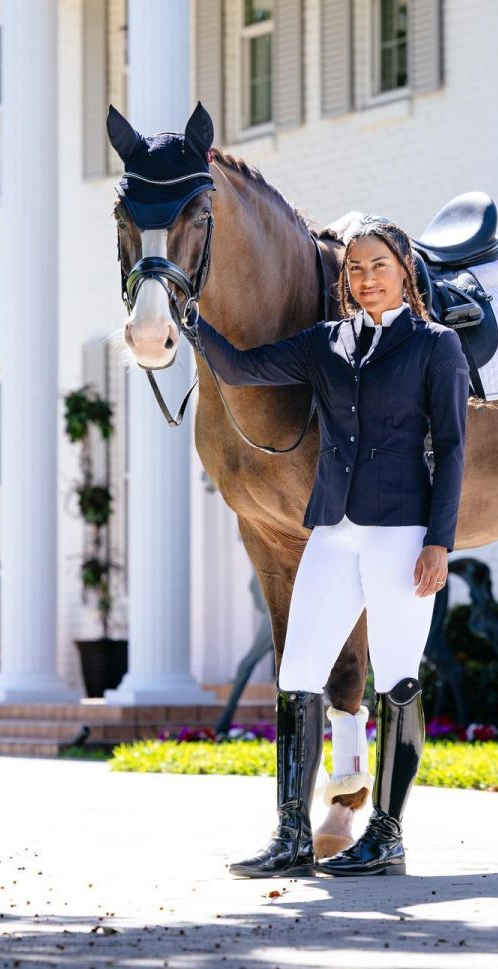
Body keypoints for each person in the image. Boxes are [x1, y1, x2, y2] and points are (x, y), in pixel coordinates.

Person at [196, 217, 471, 877]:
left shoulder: (436, 348)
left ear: (404, 268)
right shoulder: (326, 342)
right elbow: (240, 364)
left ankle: (387, 833)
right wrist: (187, 315)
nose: (364, 278)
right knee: (297, 674)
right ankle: (291, 834)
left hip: (400, 534)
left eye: (377, 265)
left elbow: (455, 449)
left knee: (398, 677)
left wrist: (439, 543)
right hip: (332, 530)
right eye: (353, 268)